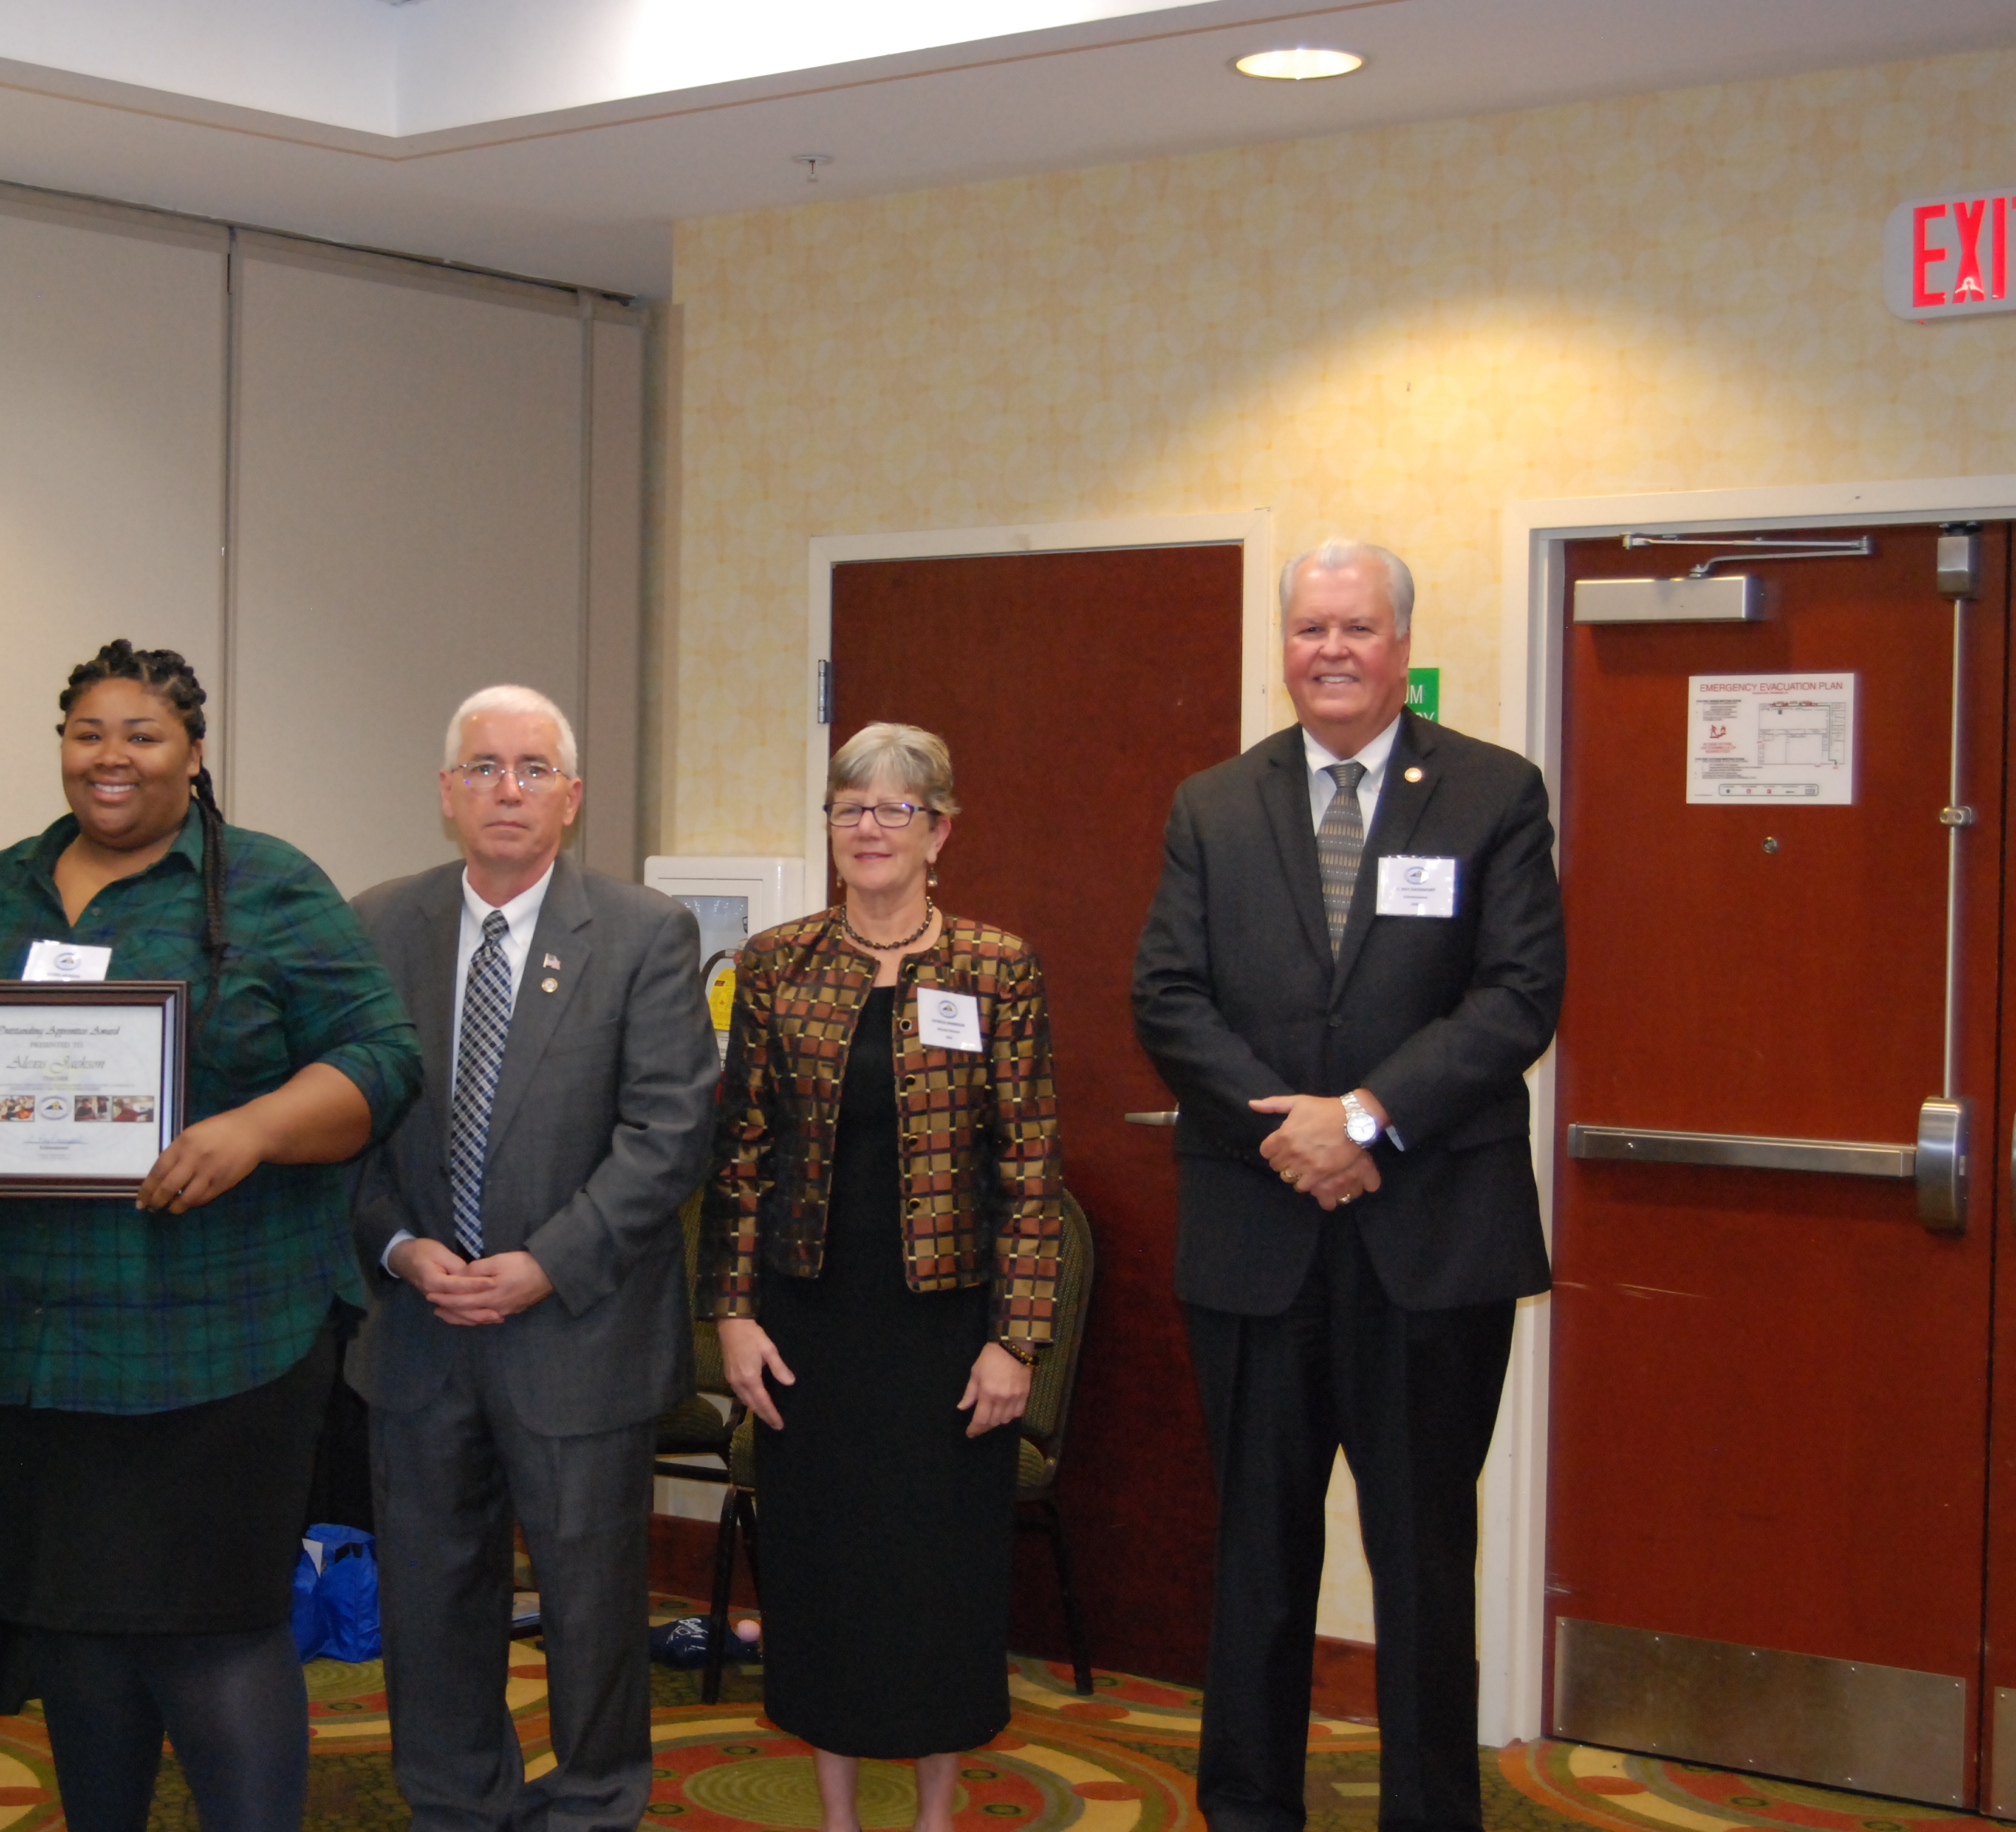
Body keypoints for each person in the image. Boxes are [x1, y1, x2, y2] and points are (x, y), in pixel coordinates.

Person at [0, 640, 421, 1832]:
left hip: (216, 1341)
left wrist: (255, 1131)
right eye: (88, 734)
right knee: (71, 1627)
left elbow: (382, 1058)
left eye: (143, 735)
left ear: (194, 753)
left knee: (210, 1630)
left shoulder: (268, 886)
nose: (111, 758)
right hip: (17, 1346)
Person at [1131, 538, 1564, 1832]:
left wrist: (1366, 1119)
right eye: (1310, 629)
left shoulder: (1493, 793)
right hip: (1256, 1240)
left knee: (1423, 1559)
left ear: (1401, 646)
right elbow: (1168, 995)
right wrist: (1291, 1132)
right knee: (1257, 1557)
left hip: (1432, 1245)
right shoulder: (1213, 803)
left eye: (1357, 628)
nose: (1331, 650)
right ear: (1285, 647)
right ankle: (1248, 1810)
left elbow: (1519, 995)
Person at [348, 684, 717, 1832]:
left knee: (592, 1604)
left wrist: (546, 1263)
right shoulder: (376, 925)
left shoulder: (645, 933)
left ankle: (596, 1803)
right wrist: (399, 1247)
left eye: (532, 769)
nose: (507, 790)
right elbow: (341, 1121)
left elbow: (670, 1133)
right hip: (419, 1330)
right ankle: (455, 1801)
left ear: (572, 796)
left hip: (577, 1332)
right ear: (446, 793)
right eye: (483, 768)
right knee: (429, 1599)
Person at [701, 721, 1065, 1832]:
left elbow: (1031, 1165)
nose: (869, 827)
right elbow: (742, 1153)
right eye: (849, 807)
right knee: (824, 1575)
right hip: (810, 1326)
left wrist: (1017, 1338)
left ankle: (936, 1814)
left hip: (948, 1336)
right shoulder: (777, 963)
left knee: (938, 1579)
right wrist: (732, 1315)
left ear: (939, 831)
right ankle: (839, 1817)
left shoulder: (996, 967)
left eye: (896, 808)